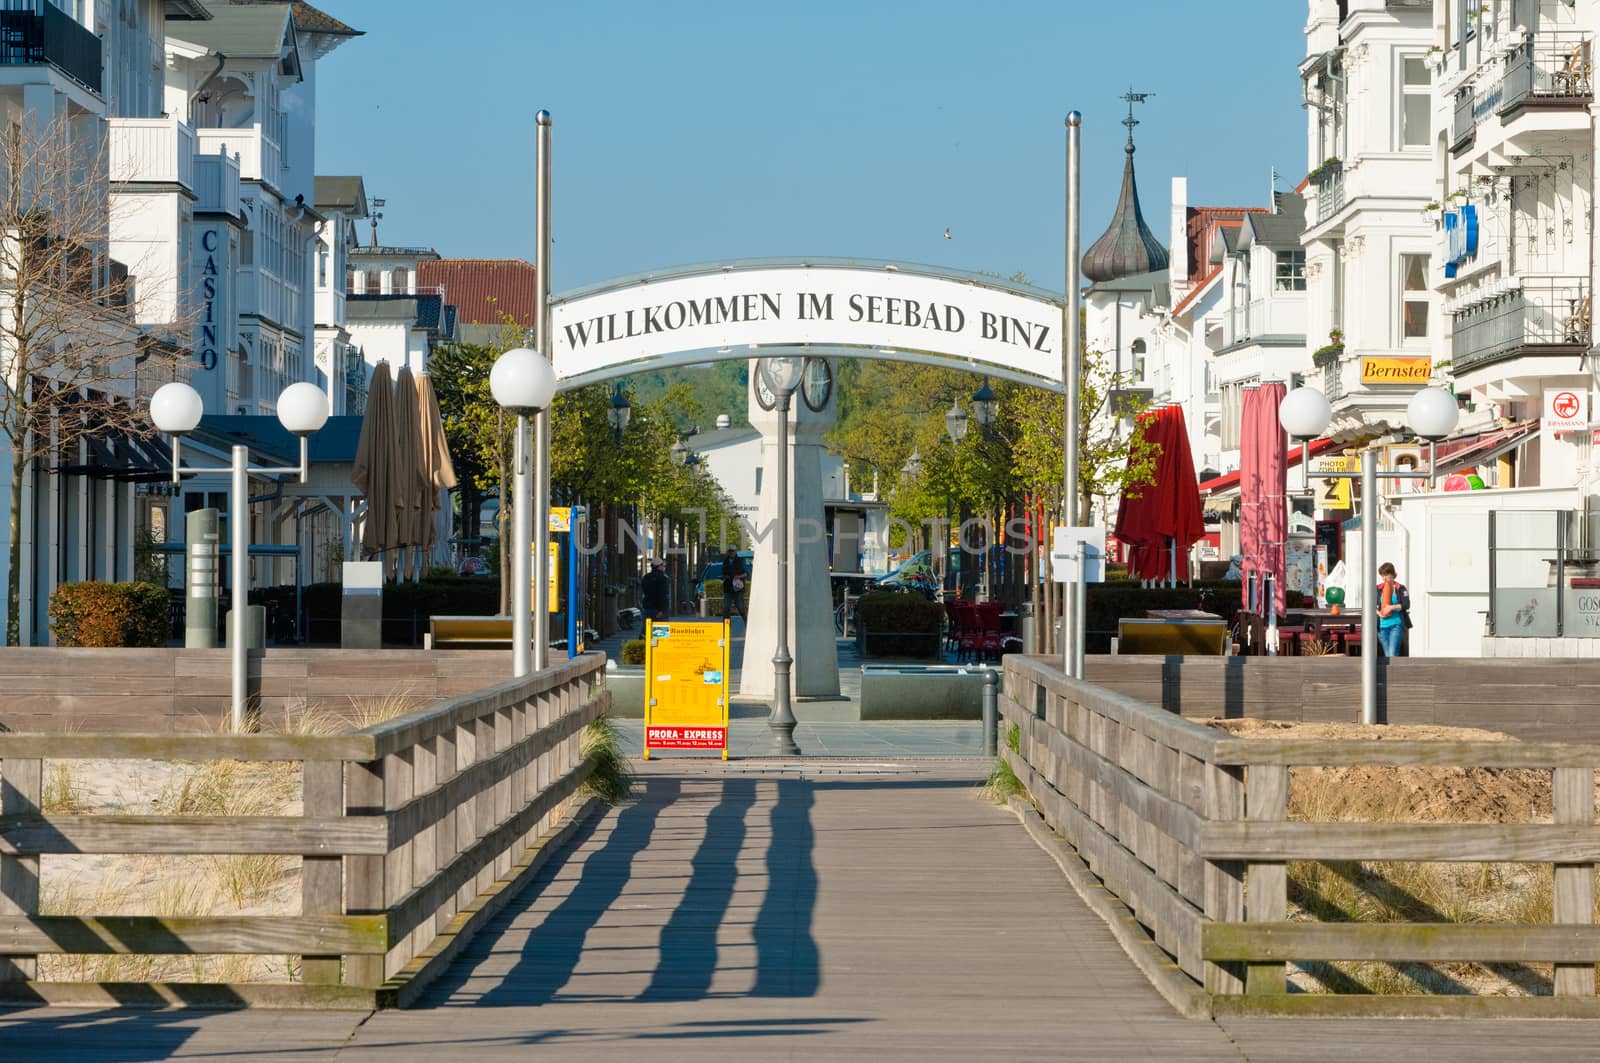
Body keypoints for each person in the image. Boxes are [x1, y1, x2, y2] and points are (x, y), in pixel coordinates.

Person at [1376, 561, 1410, 657]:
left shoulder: (1400, 588)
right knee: (1387, 655)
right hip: (1382, 627)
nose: (1384, 578)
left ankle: (1393, 671)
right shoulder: (1378, 588)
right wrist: (1379, 613)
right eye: (1382, 575)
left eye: (1386, 575)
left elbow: (1406, 604)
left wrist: (1391, 607)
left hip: (1396, 625)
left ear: (1392, 574)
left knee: (1392, 654)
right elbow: (1370, 605)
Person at [640, 558, 671, 630]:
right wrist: (661, 610)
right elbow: (663, 595)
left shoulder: (646, 577)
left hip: (648, 608)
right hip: (659, 610)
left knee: (647, 631)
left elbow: (645, 591)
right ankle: (655, 641)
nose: (664, 567)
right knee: (661, 633)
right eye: (663, 565)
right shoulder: (663, 578)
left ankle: (644, 641)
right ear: (659, 566)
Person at [721, 548, 747, 620]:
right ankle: (726, 627)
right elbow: (723, 573)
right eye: (730, 551)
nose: (731, 552)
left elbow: (746, 574)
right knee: (726, 608)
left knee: (740, 608)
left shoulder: (740, 561)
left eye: (732, 551)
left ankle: (746, 623)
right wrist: (724, 577)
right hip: (727, 588)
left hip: (738, 588)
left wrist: (738, 576)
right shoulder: (725, 561)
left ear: (736, 552)